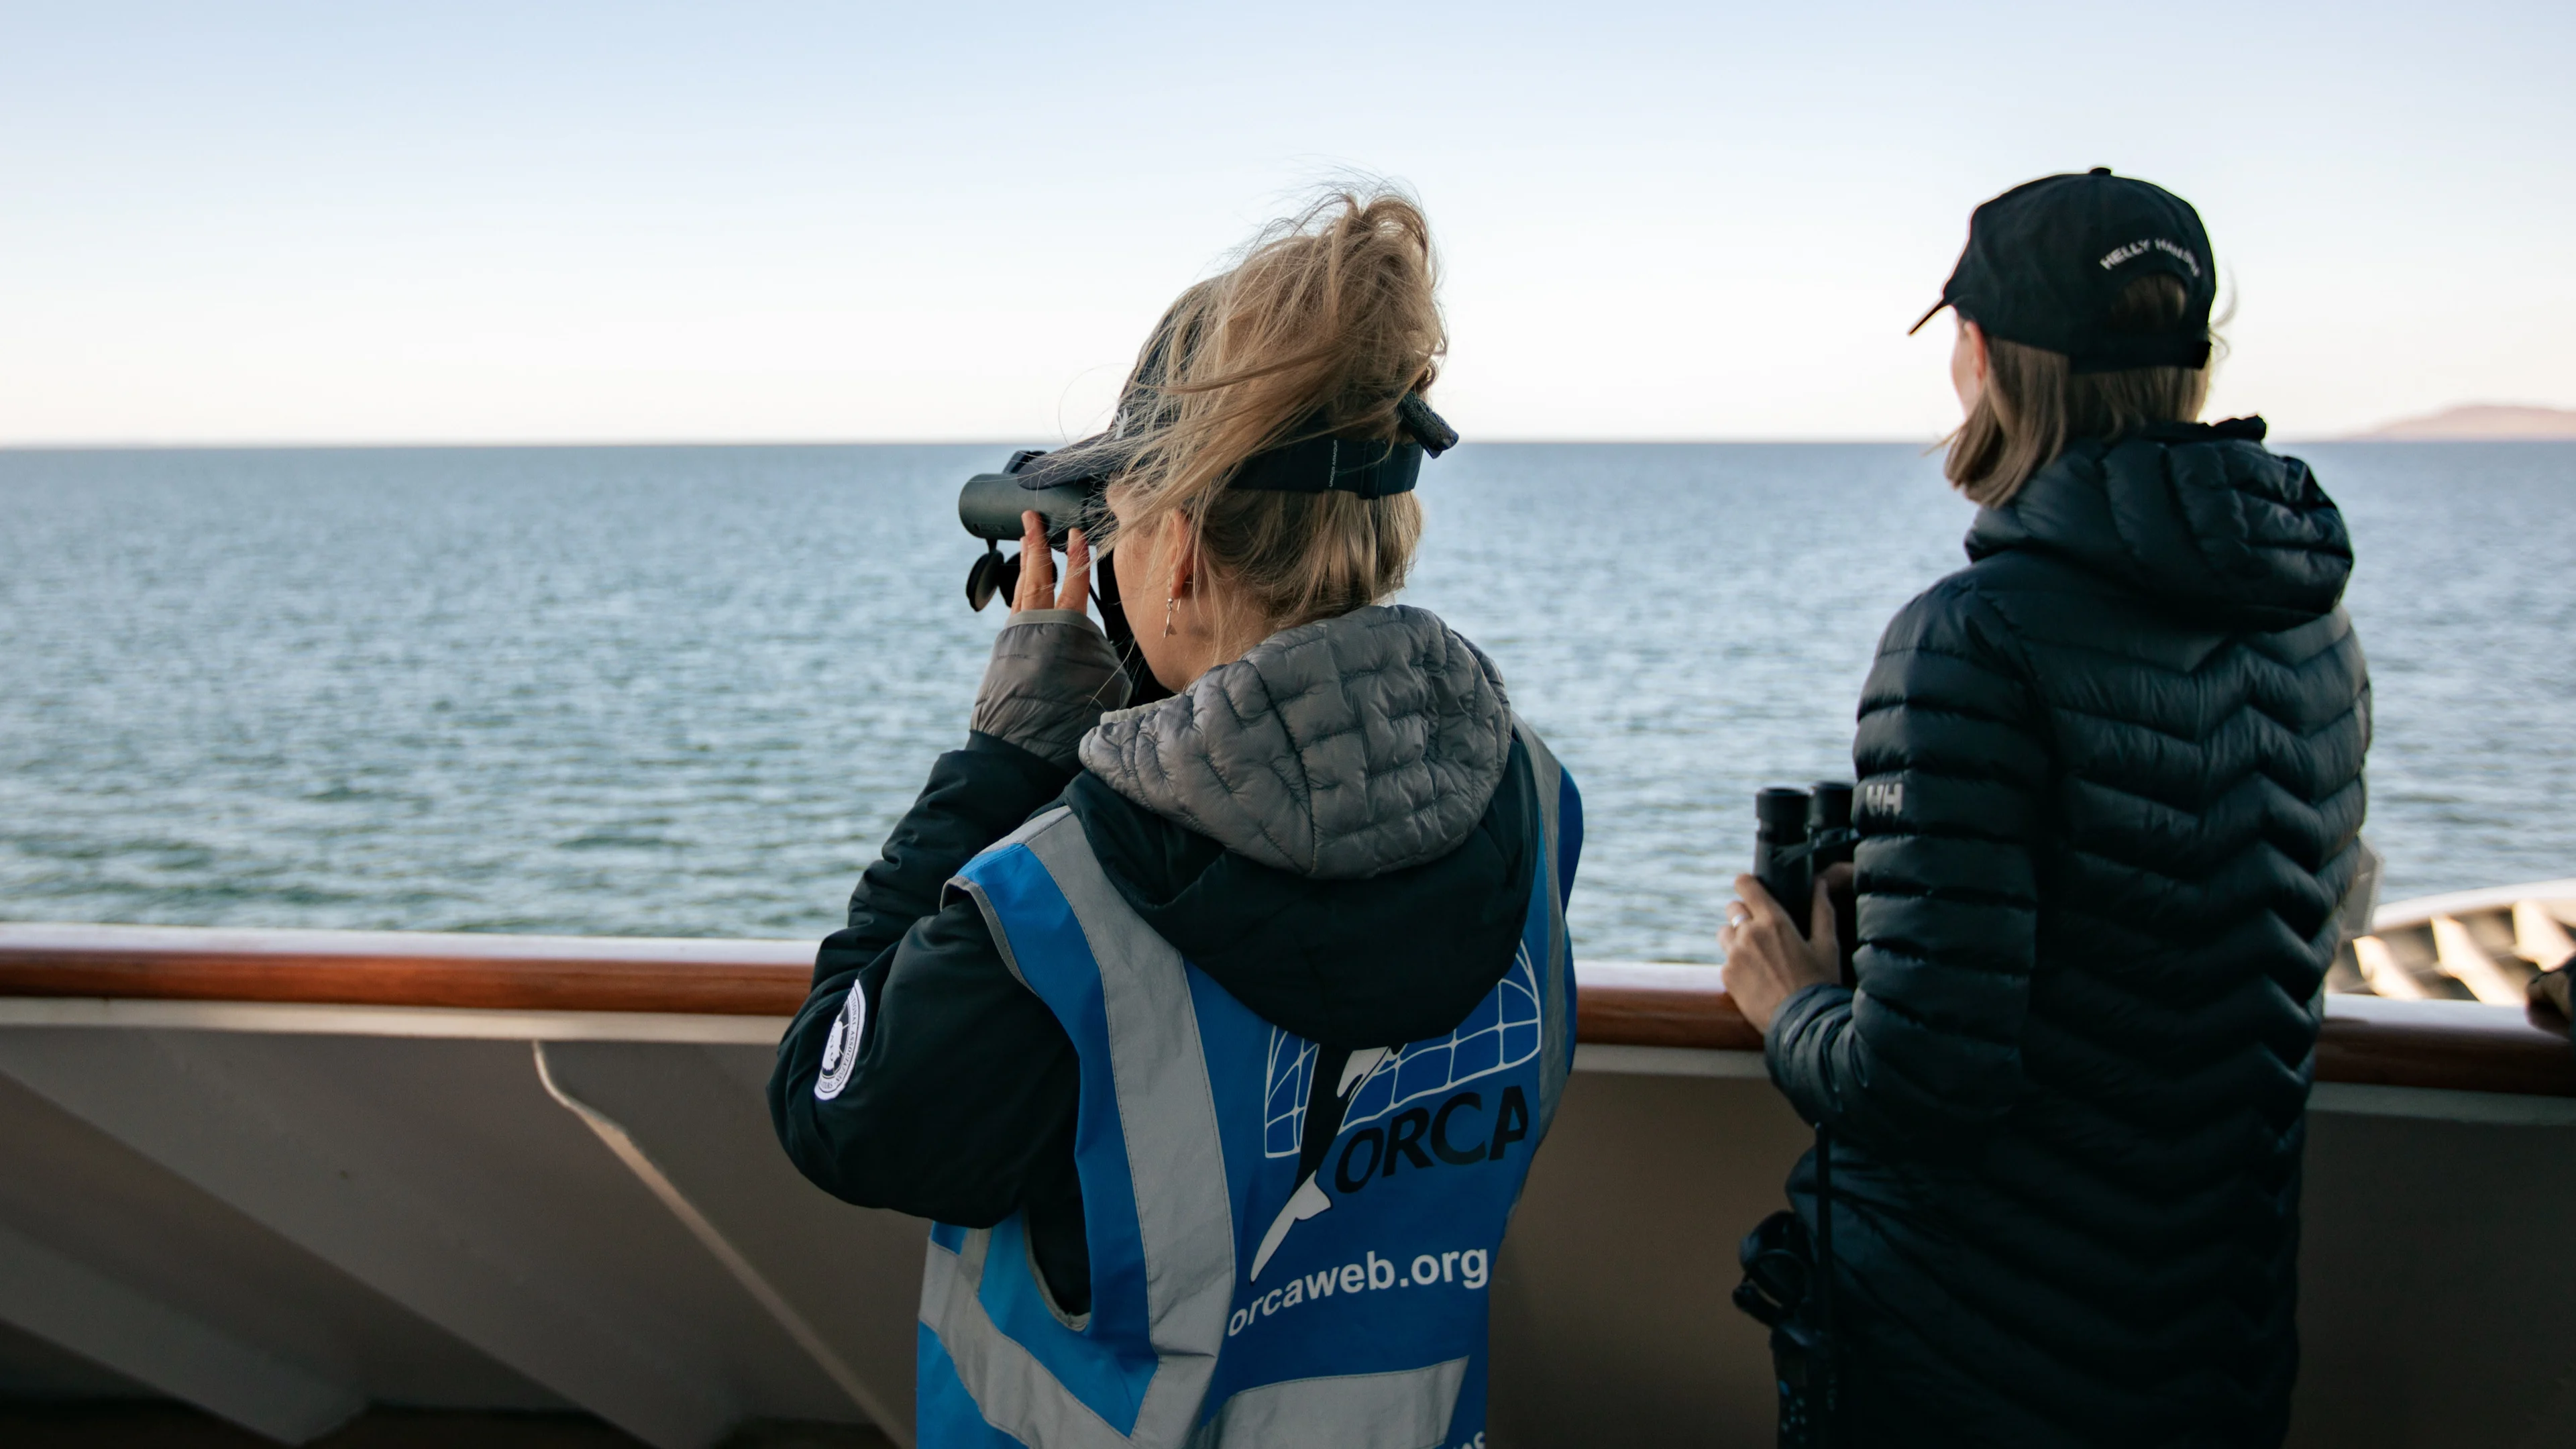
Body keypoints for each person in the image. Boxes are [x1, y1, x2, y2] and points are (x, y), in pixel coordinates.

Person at [769, 191, 1580, 1449]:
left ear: (1184, 554)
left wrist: (1007, 759)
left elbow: (834, 1107)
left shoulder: (1064, 903)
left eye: (1125, 522)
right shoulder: (1533, 798)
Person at [1720, 170, 2370, 1447]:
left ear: (1982, 359)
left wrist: (1787, 996)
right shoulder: (2311, 625)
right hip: (2213, 1350)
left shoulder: (1971, 641)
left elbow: (1919, 1084)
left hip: (1973, 1367)